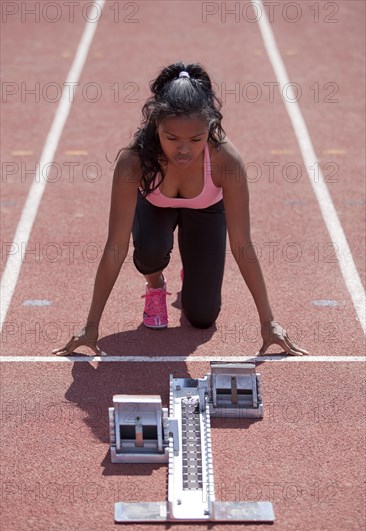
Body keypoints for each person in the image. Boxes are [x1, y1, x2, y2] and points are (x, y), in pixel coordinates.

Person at [52, 62, 308, 357]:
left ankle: (195, 269)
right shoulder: (133, 162)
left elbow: (242, 244)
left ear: (210, 128)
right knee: (149, 250)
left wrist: (269, 322)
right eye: (172, 138)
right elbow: (115, 246)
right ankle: (156, 284)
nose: (184, 150)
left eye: (196, 140)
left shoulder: (227, 162)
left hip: (206, 211)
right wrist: (91, 325)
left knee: (202, 318)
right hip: (155, 207)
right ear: (155, 125)